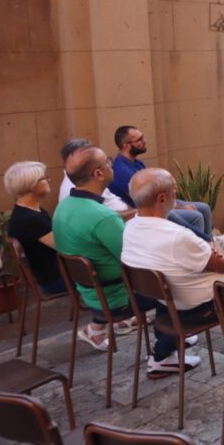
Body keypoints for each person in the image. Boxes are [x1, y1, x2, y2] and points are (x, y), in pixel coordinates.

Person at [121, 168, 224, 378]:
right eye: (174, 189)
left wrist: (207, 248)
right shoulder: (177, 236)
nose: (177, 192)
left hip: (170, 299)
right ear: (162, 198)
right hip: (206, 304)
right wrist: (212, 245)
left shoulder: (131, 227)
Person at [52, 146, 144, 351]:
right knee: (169, 280)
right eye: (108, 162)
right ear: (98, 174)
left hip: (90, 293)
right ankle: (164, 354)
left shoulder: (63, 206)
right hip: (117, 299)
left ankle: (95, 330)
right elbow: (135, 259)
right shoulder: (103, 217)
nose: (113, 165)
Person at [108, 125, 224, 247]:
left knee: (204, 207)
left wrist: (178, 204)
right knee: (196, 216)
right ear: (126, 146)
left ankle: (213, 244)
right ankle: (205, 251)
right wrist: (180, 207)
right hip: (148, 211)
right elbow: (149, 200)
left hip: (158, 202)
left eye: (143, 137)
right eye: (139, 140)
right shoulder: (122, 171)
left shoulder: (137, 163)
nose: (144, 141)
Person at [4, 161, 64, 295]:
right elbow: (66, 247)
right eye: (44, 178)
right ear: (32, 185)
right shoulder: (30, 219)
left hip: (51, 275)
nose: (49, 180)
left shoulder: (26, 210)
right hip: (55, 280)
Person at [56, 138, 134, 219]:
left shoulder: (93, 180)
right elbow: (100, 218)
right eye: (107, 161)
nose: (111, 165)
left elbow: (117, 203)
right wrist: (139, 213)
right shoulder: (72, 188)